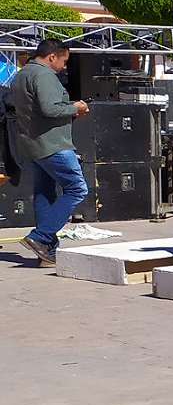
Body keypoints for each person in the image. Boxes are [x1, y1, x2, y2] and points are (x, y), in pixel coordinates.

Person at [11, 37, 90, 267]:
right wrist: (75, 108)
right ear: (52, 56)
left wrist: (69, 108)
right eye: (64, 61)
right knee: (77, 188)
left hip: (31, 144)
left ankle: (46, 252)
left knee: (44, 193)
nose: (65, 67)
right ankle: (40, 237)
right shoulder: (44, 74)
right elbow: (49, 108)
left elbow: (40, 107)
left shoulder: (22, 74)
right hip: (52, 144)